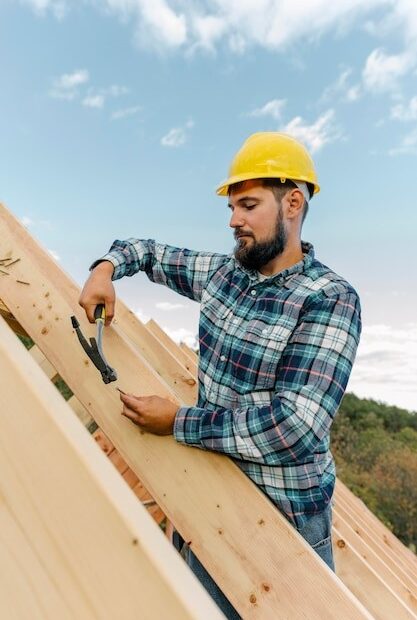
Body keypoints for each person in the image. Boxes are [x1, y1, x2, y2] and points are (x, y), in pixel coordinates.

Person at [79, 132, 361, 619]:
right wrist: (105, 268)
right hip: (208, 487)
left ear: (292, 202)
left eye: (248, 206)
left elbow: (293, 428)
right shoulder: (223, 274)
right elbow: (144, 250)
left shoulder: (329, 298)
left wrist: (178, 422)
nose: (234, 221)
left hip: (282, 517)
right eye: (231, 208)